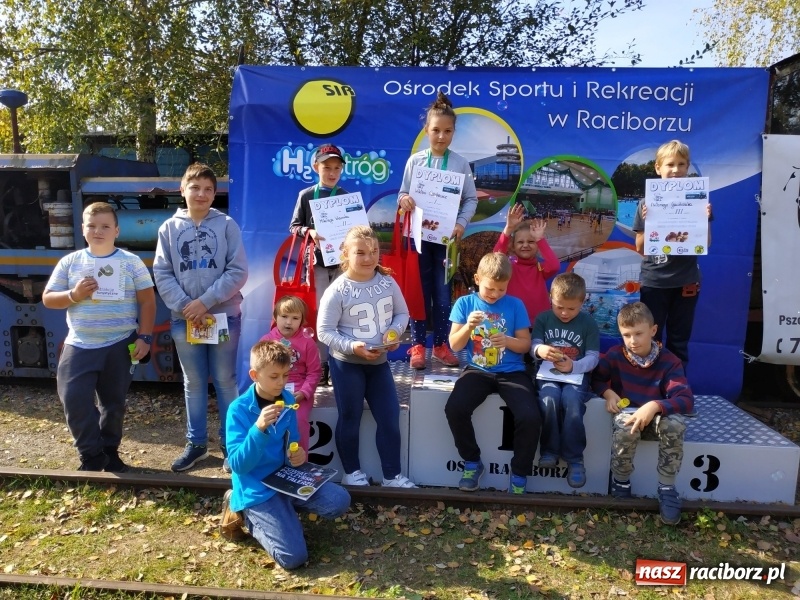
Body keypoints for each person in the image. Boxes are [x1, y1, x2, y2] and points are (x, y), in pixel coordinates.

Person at [43, 202, 156, 472]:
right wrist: (74, 295)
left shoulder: (131, 262)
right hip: (79, 343)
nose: (98, 231)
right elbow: (48, 298)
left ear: (117, 230)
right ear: (82, 229)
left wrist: (145, 337)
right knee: (73, 398)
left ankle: (109, 453)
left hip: (120, 342)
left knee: (113, 404)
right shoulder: (70, 262)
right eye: (92, 226)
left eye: (105, 226)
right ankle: (91, 456)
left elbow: (148, 302)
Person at [221, 340, 350, 569]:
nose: (281, 382)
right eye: (274, 377)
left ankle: (283, 514)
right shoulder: (238, 410)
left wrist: (297, 454)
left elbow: (292, 441)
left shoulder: (287, 400)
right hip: (256, 488)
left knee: (339, 500)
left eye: (286, 375)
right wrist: (258, 428)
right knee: (293, 558)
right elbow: (238, 465)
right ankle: (242, 510)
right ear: (254, 375)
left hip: (283, 478)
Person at [154, 163, 248, 473]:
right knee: (193, 382)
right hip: (184, 319)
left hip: (223, 317)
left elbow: (238, 271)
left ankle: (231, 444)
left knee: (225, 381)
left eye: (208, 189)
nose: (201, 194)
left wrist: (206, 302)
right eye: (195, 187)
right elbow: (162, 272)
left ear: (215, 194)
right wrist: (187, 306)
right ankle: (196, 444)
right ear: (182, 190)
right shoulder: (169, 229)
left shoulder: (227, 225)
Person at [317, 225, 416, 488]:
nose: (369, 258)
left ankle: (392, 476)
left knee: (389, 417)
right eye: (360, 252)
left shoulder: (387, 281)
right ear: (345, 254)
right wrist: (353, 347)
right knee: (350, 417)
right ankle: (352, 472)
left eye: (373, 251)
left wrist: (394, 333)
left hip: (379, 364)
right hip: (347, 364)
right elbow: (324, 331)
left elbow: (402, 313)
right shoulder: (337, 290)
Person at [445, 252, 541, 494]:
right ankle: (472, 462)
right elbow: (455, 345)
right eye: (490, 288)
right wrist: (468, 326)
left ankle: (519, 473)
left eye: (501, 289)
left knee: (530, 416)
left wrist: (507, 340)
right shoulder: (464, 303)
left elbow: (525, 345)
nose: (495, 294)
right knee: (455, 408)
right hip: (477, 370)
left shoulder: (515, 305)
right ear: (477, 279)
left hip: (513, 372)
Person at [591, 302, 694, 525]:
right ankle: (620, 482)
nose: (633, 341)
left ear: (653, 330)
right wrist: (608, 393)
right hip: (627, 415)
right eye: (626, 335)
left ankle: (667, 488)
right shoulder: (615, 355)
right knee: (626, 426)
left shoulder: (669, 361)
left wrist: (654, 406)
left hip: (656, 418)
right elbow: (595, 379)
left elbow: (685, 400)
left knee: (675, 424)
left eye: (639, 333)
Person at [398, 92, 478, 370]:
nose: (441, 136)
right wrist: (404, 200)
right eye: (436, 130)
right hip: (418, 239)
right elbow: (403, 193)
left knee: (443, 296)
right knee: (419, 293)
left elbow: (471, 199)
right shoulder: (415, 161)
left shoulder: (460, 164)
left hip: (446, 241)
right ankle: (418, 345)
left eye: (447, 131)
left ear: (454, 132)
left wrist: (461, 223)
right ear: (426, 130)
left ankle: (441, 345)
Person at [633, 140, 712, 367]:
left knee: (679, 341)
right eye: (670, 164)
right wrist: (649, 221)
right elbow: (640, 248)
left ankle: (676, 386)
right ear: (658, 168)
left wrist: (704, 219)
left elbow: (705, 243)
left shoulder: (699, 200)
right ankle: (649, 384)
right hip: (654, 282)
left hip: (686, 282)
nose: (676, 170)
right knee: (651, 340)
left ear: (688, 167)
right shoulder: (646, 203)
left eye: (681, 164)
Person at [531, 272, 600, 488]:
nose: (564, 313)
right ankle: (549, 451)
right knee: (549, 398)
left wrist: (574, 366)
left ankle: (575, 459)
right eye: (559, 306)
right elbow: (533, 346)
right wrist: (540, 350)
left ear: (582, 302)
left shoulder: (588, 323)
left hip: (577, 376)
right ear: (550, 297)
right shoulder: (543, 318)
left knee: (571, 401)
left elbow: (593, 357)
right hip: (547, 374)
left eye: (572, 308)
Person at [289, 143, 349, 386]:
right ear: (316, 167)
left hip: (342, 265)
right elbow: (294, 226)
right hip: (317, 266)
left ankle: (339, 364)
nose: (332, 172)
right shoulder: (306, 195)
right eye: (327, 167)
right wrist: (309, 231)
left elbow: (354, 228)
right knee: (323, 313)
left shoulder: (345, 196)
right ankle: (322, 364)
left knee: (341, 313)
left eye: (337, 168)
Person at [259, 295, 322, 452]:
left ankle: (300, 460)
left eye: (295, 318)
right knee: (268, 422)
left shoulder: (308, 343)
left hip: (298, 392)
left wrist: (304, 392)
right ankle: (272, 459)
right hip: (271, 390)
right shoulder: (266, 341)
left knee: (298, 421)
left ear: (302, 321)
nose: (288, 322)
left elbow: (314, 372)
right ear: (275, 317)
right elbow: (260, 371)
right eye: (284, 316)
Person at [493, 202, 560, 325]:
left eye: (531, 241)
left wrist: (540, 239)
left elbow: (554, 265)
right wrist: (508, 230)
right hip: (512, 323)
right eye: (520, 242)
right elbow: (495, 260)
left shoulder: (539, 268)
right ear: (513, 246)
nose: (525, 245)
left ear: (537, 245)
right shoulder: (509, 267)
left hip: (538, 324)